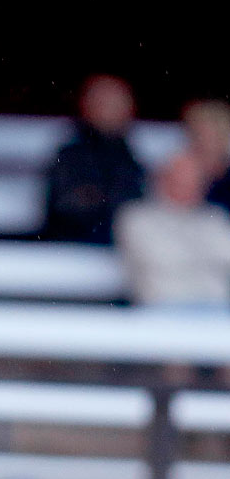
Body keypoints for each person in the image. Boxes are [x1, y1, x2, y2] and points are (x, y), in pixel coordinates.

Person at [41, 74, 145, 244]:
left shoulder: (130, 157)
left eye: (119, 103)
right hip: (77, 244)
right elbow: (68, 209)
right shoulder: (70, 156)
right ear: (87, 107)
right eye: (105, 103)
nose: (114, 110)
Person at [116, 153, 230, 308]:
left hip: (217, 310)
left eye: (195, 180)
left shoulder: (215, 218)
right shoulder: (137, 217)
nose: (189, 186)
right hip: (161, 310)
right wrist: (205, 257)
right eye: (180, 179)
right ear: (162, 179)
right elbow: (160, 258)